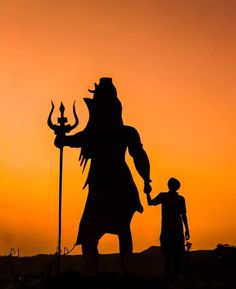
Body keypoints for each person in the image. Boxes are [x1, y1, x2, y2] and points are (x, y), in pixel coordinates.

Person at [54, 77, 152, 274]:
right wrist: (62, 138)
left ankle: (120, 271)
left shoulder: (115, 132)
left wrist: (146, 178)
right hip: (110, 185)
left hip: (110, 185)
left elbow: (139, 156)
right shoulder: (114, 132)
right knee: (104, 232)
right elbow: (68, 142)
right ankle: (108, 272)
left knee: (108, 231)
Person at [145, 177, 190, 278]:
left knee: (172, 255)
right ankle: (171, 277)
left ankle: (172, 276)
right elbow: (150, 203)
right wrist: (147, 193)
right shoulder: (166, 197)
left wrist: (187, 229)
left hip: (173, 230)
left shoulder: (175, 198)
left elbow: (183, 215)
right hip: (170, 230)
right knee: (170, 255)